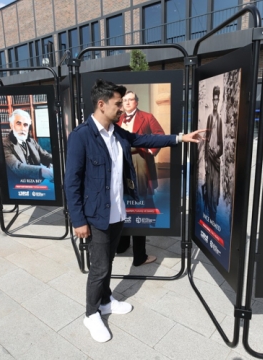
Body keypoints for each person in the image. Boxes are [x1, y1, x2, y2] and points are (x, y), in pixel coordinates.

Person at [65, 79, 204, 343]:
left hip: (117, 211)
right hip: (96, 215)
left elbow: (145, 137)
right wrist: (78, 219)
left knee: (108, 262)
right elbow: (71, 181)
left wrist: (180, 138)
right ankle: (91, 314)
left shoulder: (116, 132)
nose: (122, 109)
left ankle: (106, 301)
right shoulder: (81, 136)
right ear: (101, 104)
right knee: (99, 267)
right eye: (118, 104)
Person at [115, 90, 163, 266]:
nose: (127, 103)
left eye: (130, 100)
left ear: (136, 101)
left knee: (140, 205)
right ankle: (121, 245)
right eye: (124, 100)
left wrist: (150, 151)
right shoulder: (117, 118)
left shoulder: (147, 117)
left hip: (140, 161)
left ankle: (139, 254)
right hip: (121, 165)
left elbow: (159, 134)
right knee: (123, 204)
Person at [3, 109, 54, 180]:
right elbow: (17, 167)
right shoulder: (5, 144)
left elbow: (44, 156)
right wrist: (41, 170)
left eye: (25, 125)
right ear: (11, 125)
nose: (22, 128)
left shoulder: (31, 141)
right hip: (18, 185)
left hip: (36, 182)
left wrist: (58, 160)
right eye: (18, 124)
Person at [204, 86, 224, 220]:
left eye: (217, 100)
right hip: (209, 160)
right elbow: (206, 140)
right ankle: (210, 215)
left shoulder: (220, 120)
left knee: (215, 189)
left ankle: (214, 215)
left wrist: (215, 153)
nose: (215, 103)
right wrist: (206, 160)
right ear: (212, 101)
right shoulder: (210, 118)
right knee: (209, 188)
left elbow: (221, 145)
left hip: (215, 159)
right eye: (214, 100)